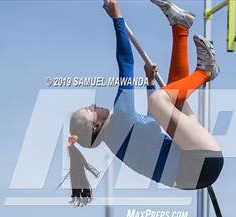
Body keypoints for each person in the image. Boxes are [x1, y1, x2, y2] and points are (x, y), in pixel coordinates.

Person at [65, 0, 223, 206]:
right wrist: (117, 19)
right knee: (161, 100)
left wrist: (149, 84)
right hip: (199, 161)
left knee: (171, 97)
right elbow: (126, 63)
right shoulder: (118, 121)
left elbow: (152, 127)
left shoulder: (117, 142)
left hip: (199, 169)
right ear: (95, 126)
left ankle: (180, 26)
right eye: (90, 110)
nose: (94, 105)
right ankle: (206, 71)